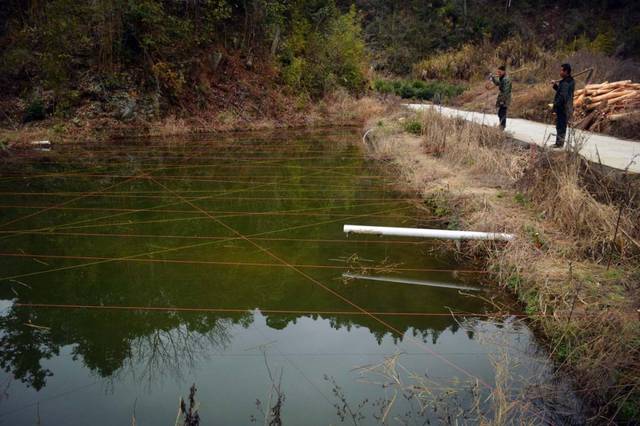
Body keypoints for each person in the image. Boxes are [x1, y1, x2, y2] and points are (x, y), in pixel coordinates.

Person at [551, 63, 575, 148]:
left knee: (561, 125)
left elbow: (563, 96)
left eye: (561, 70)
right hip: (564, 106)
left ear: (566, 71)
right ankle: (559, 143)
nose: (560, 72)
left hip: (563, 107)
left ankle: (559, 143)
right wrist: (555, 86)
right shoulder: (566, 81)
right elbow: (560, 91)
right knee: (560, 125)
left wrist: (556, 104)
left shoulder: (567, 82)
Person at [490, 65, 512, 130]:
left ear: (503, 71)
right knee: (500, 113)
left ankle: (502, 127)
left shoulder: (506, 79)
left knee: (502, 112)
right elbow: (497, 83)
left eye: (500, 72)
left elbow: (506, 91)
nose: (498, 73)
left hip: (505, 98)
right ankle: (501, 125)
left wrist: (503, 100)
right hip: (502, 97)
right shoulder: (502, 78)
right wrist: (493, 78)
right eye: (498, 72)